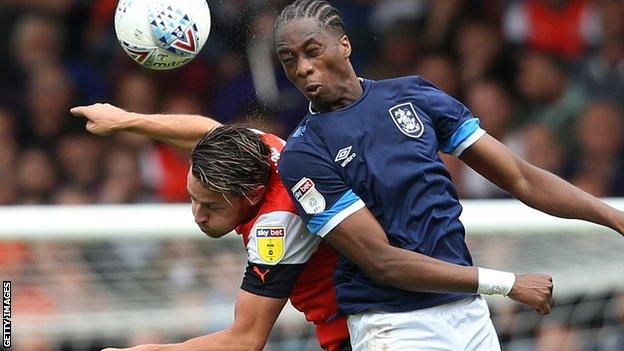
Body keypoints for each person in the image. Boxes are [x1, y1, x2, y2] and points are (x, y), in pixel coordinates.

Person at [272, 1, 624, 350]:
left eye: (312, 51)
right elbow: (382, 262)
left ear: (344, 45)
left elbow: (522, 178)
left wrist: (614, 217)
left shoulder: (411, 95)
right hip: (395, 326)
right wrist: (506, 283)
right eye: (290, 60)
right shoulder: (304, 154)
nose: (303, 68)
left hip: (469, 314)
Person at [71, 102, 553, 351]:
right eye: (192, 199)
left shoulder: (277, 226)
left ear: (247, 197)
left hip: (366, 334)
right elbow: (208, 130)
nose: (195, 216)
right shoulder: (265, 151)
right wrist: (127, 120)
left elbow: (244, 341)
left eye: (208, 208)